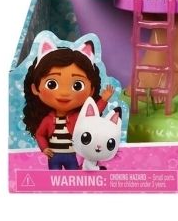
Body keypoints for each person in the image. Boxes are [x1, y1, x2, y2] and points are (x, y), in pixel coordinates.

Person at [22, 40, 114, 170]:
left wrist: (104, 99)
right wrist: (44, 148)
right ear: (35, 88)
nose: (64, 93)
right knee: (54, 177)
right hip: (54, 155)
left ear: (91, 90)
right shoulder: (48, 120)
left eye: (77, 85)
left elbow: (93, 112)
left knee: (73, 175)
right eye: (52, 84)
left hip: (72, 155)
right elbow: (40, 134)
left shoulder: (78, 117)